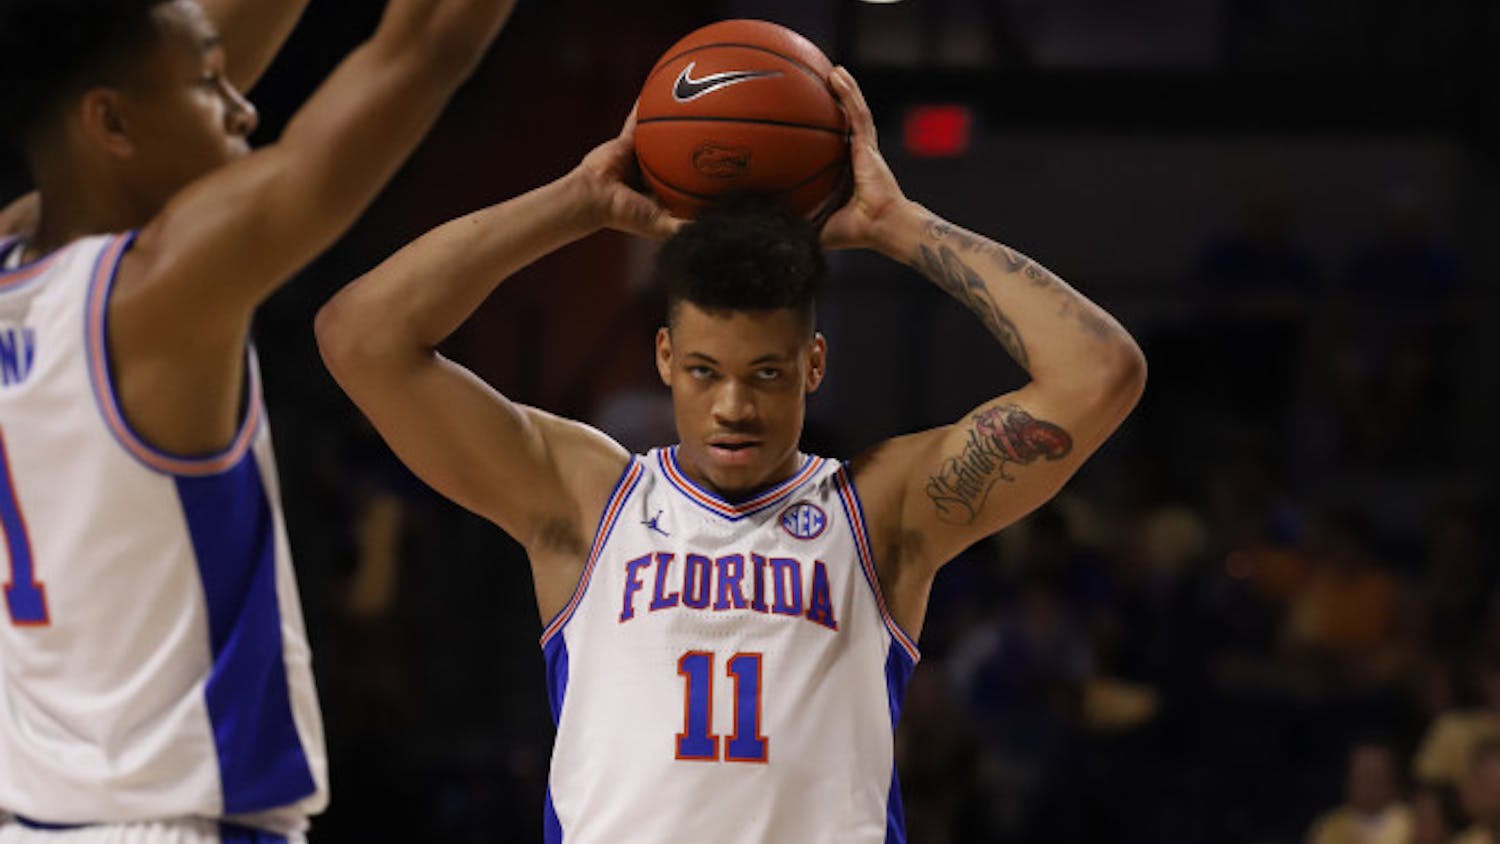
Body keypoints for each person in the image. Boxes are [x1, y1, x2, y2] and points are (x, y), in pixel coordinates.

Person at [316, 66, 1146, 842]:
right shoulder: (586, 500)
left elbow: (1100, 372)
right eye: (705, 372)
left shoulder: (880, 512)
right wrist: (575, 201)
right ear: (665, 358)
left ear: (813, 365)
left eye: (767, 374)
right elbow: (359, 337)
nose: (734, 407)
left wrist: (900, 226)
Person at [0, 0, 515, 839]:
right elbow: (423, 45)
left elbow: (142, 82)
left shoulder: (23, 260)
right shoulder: (157, 294)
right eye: (211, 87)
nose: (243, 109)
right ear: (110, 124)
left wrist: (191, 72)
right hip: (173, 818)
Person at [1305, 741, 1413, 844]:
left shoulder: (1411, 824)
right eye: (1362, 776)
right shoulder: (1329, 827)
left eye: (1375, 776)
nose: (1368, 785)